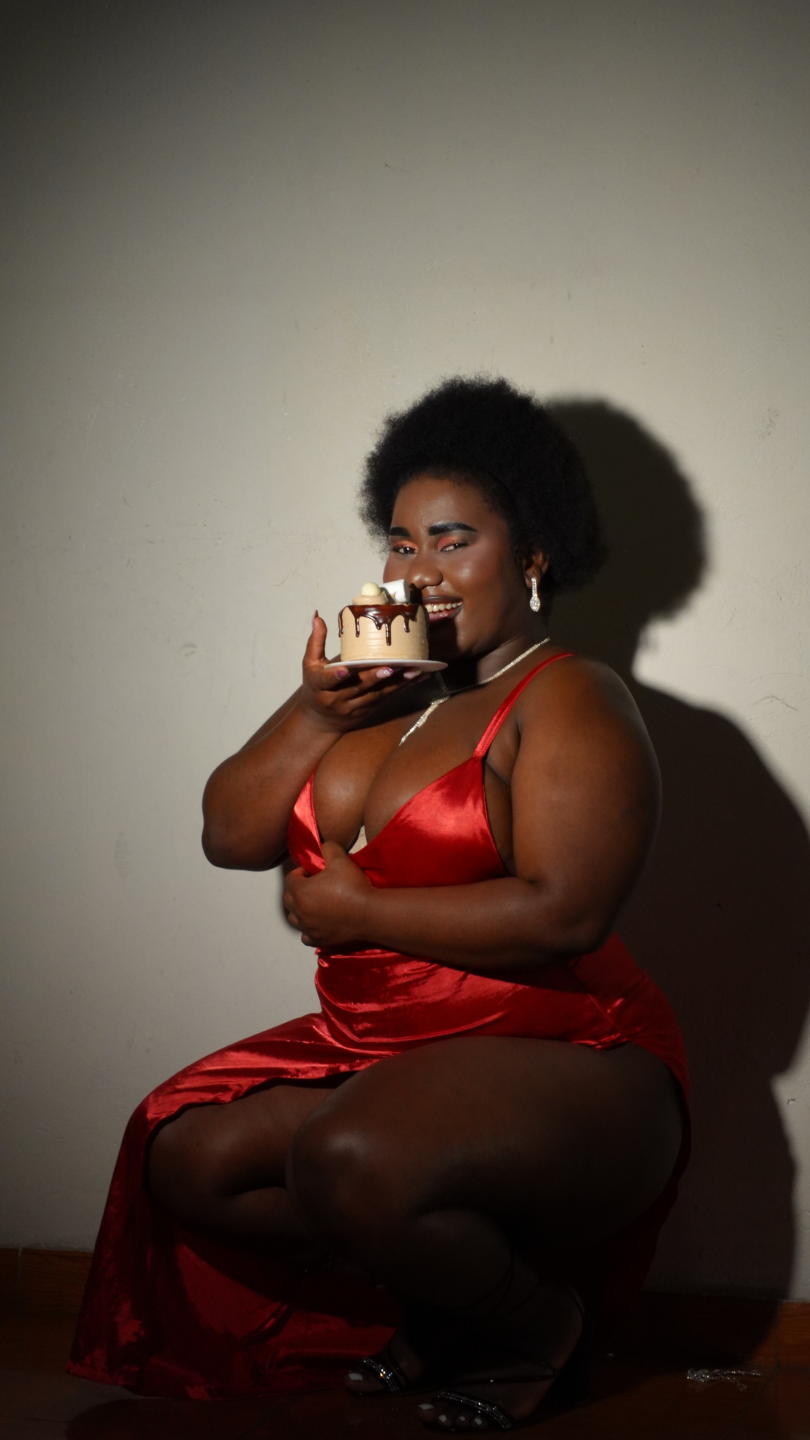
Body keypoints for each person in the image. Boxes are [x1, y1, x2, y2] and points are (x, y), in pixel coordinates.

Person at [69, 377, 687, 1431]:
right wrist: (316, 709)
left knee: (346, 1156)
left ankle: (537, 1322)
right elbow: (229, 836)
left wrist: (363, 916)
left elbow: (567, 915)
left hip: (576, 1053)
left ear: (533, 556)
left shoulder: (572, 697)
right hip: (384, 1048)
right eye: (401, 544)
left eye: (453, 540)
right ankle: (443, 1305)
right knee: (188, 1154)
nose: (418, 572)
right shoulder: (381, 696)